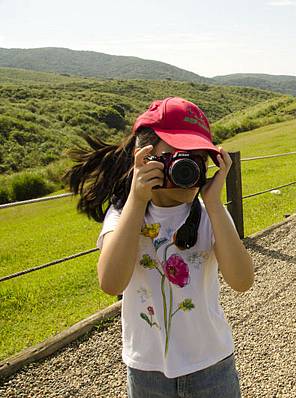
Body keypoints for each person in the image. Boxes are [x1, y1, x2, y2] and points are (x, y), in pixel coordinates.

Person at [64, 96, 254, 397]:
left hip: (211, 364)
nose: (188, 168)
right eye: (177, 156)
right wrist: (137, 200)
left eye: (197, 158)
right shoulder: (124, 213)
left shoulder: (209, 213)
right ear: (144, 157)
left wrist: (215, 205)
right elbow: (111, 282)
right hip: (147, 369)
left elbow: (242, 281)